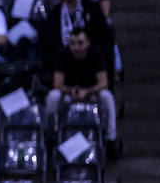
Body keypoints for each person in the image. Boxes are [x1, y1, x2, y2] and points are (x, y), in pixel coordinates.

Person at [46, 27, 118, 158]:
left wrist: (87, 92)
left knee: (107, 96)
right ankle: (51, 136)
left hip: (91, 94)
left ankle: (111, 140)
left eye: (80, 43)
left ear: (88, 43)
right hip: (69, 94)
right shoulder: (63, 54)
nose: (76, 47)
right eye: (73, 43)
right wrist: (71, 91)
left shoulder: (96, 54)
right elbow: (57, 83)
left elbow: (103, 83)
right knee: (53, 96)